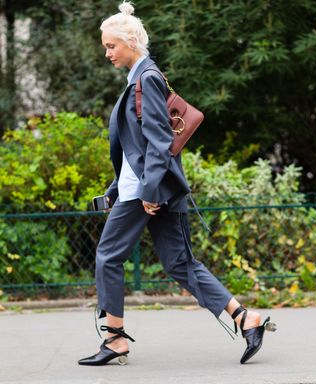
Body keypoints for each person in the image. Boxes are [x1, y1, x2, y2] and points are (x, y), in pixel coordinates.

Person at [78, 1, 276, 367]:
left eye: (111, 45)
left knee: (108, 257)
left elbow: (158, 141)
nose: (106, 52)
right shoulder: (140, 78)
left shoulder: (146, 78)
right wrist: (115, 187)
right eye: (105, 46)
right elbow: (140, 147)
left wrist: (149, 192)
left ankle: (115, 339)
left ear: (131, 42)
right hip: (149, 188)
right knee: (181, 264)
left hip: (147, 192)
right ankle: (246, 319)